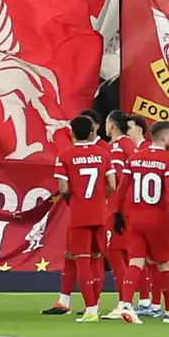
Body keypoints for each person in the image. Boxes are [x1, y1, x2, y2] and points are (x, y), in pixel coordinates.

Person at [116, 119, 169, 324]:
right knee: (165, 264)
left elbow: (122, 190)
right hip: (159, 220)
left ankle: (126, 303)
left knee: (135, 262)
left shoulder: (134, 159)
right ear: (163, 137)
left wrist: (118, 214)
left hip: (136, 218)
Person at [60, 120, 121, 323]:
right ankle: (96, 304)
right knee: (97, 259)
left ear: (72, 133)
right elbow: (112, 184)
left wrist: (76, 200)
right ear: (91, 131)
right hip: (99, 213)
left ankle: (91, 309)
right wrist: (99, 198)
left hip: (79, 214)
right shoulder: (104, 153)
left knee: (82, 260)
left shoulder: (65, 155)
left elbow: (63, 189)